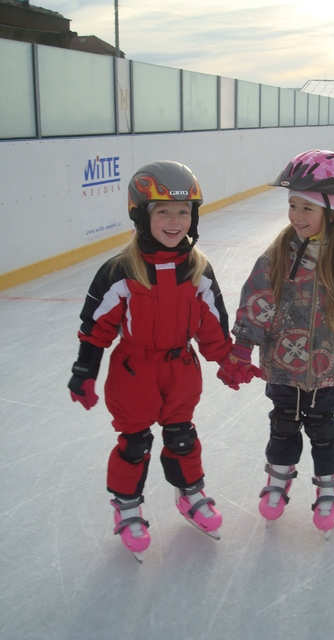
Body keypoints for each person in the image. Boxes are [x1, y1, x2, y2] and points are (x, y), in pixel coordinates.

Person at [68, 161, 260, 556]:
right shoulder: (121, 271)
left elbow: (212, 324)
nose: (175, 221)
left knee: (182, 436)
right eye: (163, 212)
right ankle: (126, 506)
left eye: (183, 212)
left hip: (180, 370)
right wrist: (84, 371)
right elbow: (96, 326)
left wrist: (228, 359)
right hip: (134, 371)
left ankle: (190, 494)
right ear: (141, 215)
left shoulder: (198, 270)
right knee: (134, 443)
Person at [221, 150, 334, 535]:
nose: (296, 216)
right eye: (293, 205)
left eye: (307, 208)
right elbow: (257, 299)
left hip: (328, 369)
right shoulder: (278, 253)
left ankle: (329, 488)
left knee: (324, 430)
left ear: (333, 210)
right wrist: (243, 347)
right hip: (282, 366)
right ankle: (278, 479)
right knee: (283, 426)